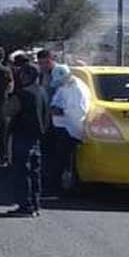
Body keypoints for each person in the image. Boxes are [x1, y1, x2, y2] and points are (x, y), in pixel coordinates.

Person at [8, 63, 48, 217]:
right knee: (35, 172)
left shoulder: (23, 94)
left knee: (22, 171)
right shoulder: (43, 92)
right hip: (37, 137)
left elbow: (8, 110)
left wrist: (10, 95)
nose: (20, 77)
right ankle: (35, 205)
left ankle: (25, 206)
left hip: (22, 135)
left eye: (23, 74)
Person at [48, 64, 91, 195]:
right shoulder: (64, 86)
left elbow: (79, 111)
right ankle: (58, 185)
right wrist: (54, 107)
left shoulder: (78, 89)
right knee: (60, 158)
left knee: (67, 161)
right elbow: (56, 100)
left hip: (72, 129)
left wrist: (61, 111)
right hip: (61, 127)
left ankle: (66, 188)